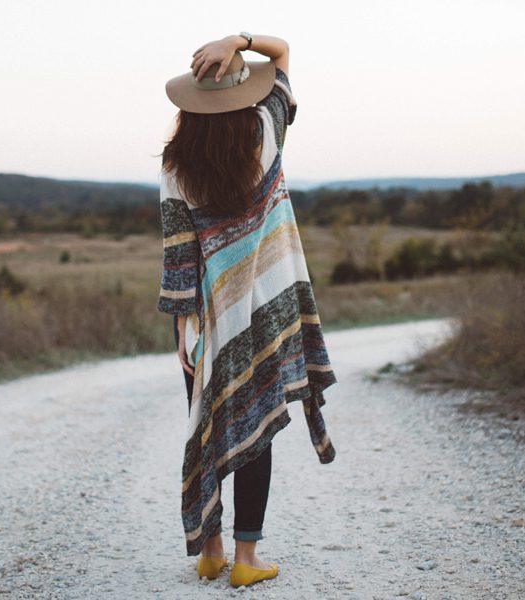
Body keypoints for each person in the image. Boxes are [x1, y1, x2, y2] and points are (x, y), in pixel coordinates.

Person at [156, 32, 338, 588]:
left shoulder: (175, 163)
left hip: (207, 319)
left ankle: (209, 550)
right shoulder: (266, 130)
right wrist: (241, 39)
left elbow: (179, 254)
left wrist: (184, 326)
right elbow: (282, 55)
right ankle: (247, 559)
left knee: (207, 421)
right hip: (268, 310)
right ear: (242, 92)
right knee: (256, 421)